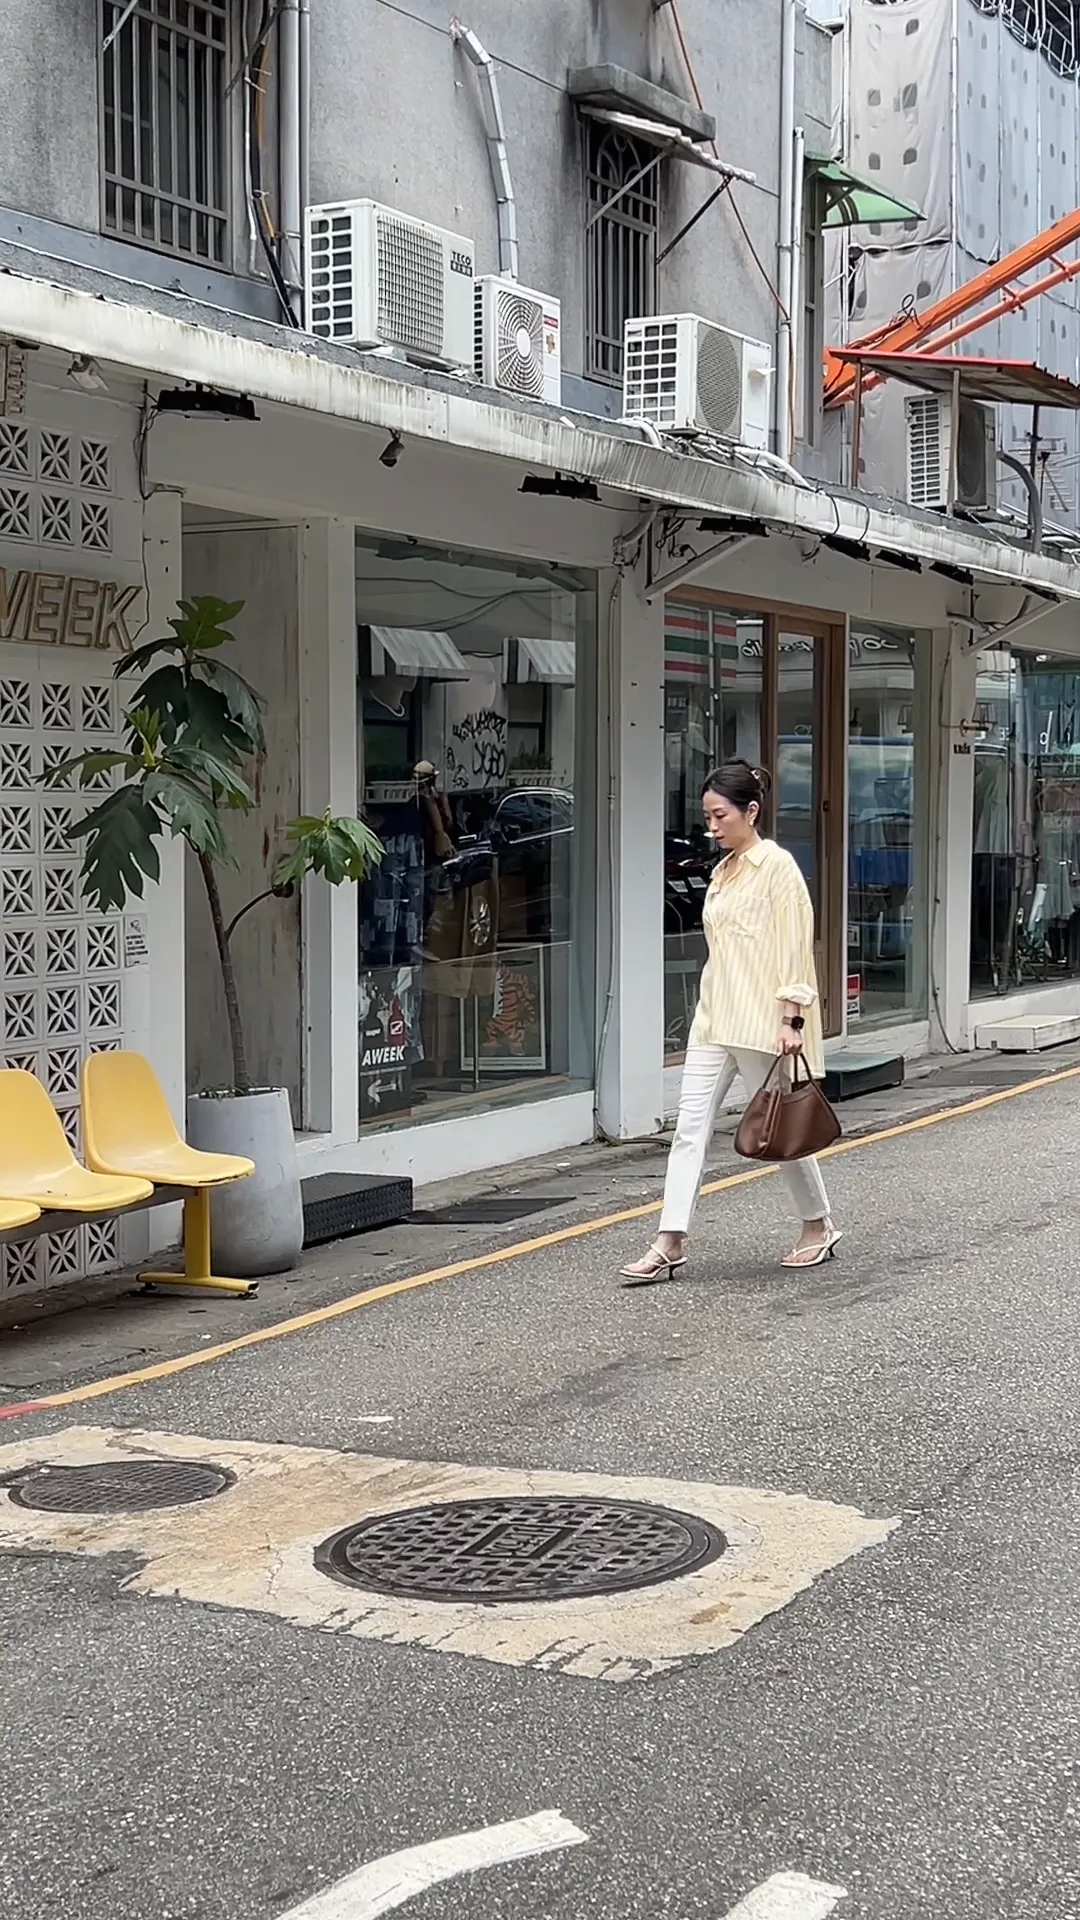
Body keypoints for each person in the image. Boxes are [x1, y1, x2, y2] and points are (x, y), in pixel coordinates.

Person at [620, 760, 840, 1286]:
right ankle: (670, 1239)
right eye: (707, 817)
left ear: (751, 811)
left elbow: (795, 948)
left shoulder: (777, 868)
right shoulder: (722, 872)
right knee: (689, 1129)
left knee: (780, 1128)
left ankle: (818, 1225)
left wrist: (792, 1018)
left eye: (720, 815)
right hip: (715, 1019)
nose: (712, 826)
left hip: (763, 1022)